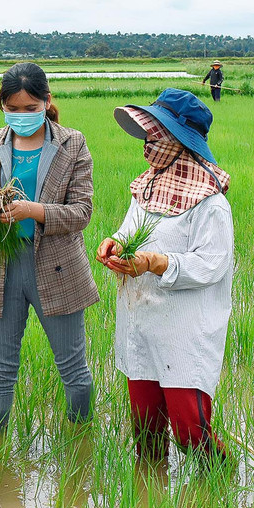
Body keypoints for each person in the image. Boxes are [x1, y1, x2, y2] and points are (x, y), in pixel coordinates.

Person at [96, 87, 233, 465]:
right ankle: (150, 494)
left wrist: (156, 263)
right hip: (141, 322)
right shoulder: (148, 186)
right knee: (146, 431)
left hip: (183, 331)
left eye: (156, 135)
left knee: (191, 433)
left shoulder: (210, 203)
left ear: (180, 140)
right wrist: (116, 243)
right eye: (147, 134)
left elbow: (212, 264)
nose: (147, 144)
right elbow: (131, 230)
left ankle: (221, 479)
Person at [0, 62, 99, 434]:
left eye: (30, 108)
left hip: (57, 266)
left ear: (46, 102)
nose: (21, 115)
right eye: (13, 108)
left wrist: (33, 211)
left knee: (73, 368)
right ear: (1, 105)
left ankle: (81, 445)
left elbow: (82, 211)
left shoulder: (72, 143)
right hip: (2, 266)